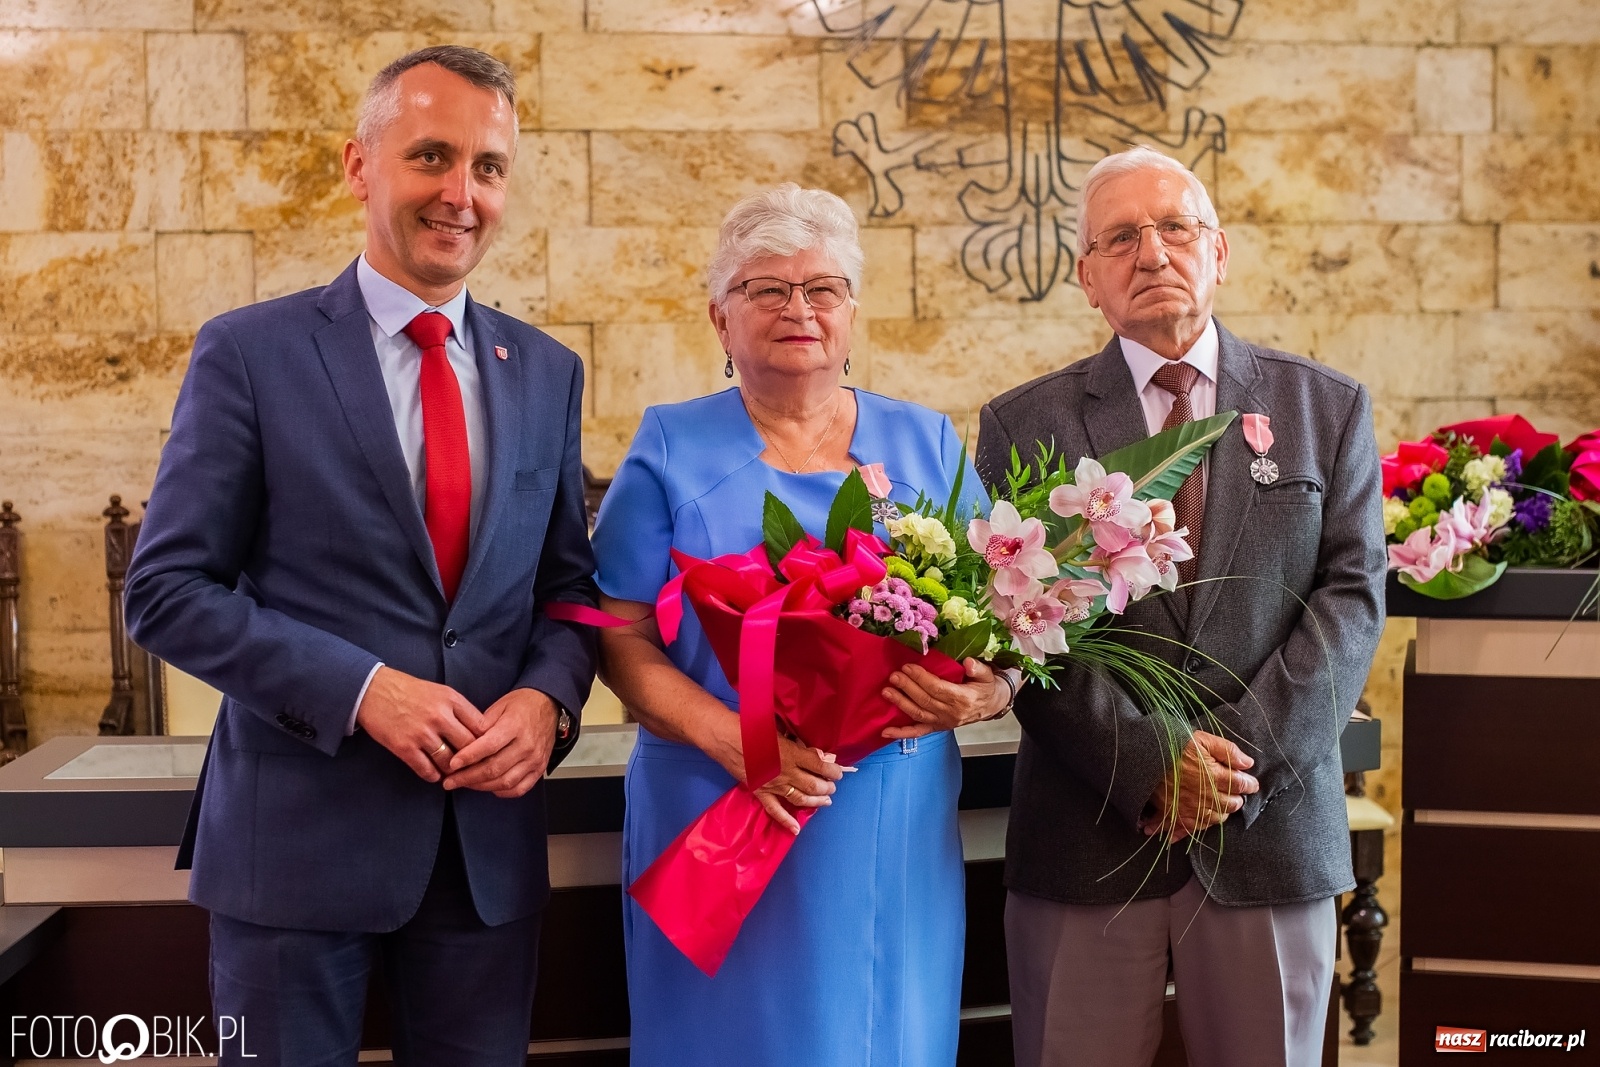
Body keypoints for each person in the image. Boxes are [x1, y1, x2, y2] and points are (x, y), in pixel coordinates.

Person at [124, 46, 597, 1067]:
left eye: (488, 166)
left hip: (484, 855)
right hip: (293, 850)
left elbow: (566, 588)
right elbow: (163, 590)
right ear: (359, 165)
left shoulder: (548, 371)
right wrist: (363, 689)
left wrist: (545, 702)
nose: (461, 194)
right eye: (431, 156)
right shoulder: (250, 353)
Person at [976, 146, 1386, 1067]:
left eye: (1175, 227)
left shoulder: (1326, 406)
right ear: (1087, 277)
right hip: (1089, 838)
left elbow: (1352, 600)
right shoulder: (1024, 425)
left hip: (1269, 831)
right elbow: (1020, 622)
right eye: (1120, 236)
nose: (1151, 252)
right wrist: (1153, 759)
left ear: (1221, 250)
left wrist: (1235, 767)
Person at [591, 183, 1013, 1066]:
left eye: (822, 288)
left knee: (889, 1034)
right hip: (719, 796)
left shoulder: (928, 443)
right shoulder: (670, 444)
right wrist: (736, 738)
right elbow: (616, 634)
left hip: (890, 816)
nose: (799, 309)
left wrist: (986, 691)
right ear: (721, 318)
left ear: (852, 312)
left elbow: (1003, 618)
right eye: (765, 289)